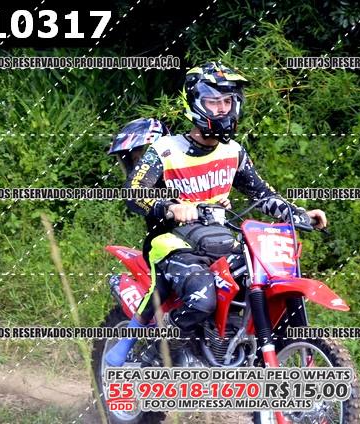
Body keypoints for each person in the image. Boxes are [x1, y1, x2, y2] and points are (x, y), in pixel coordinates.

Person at [105, 62, 327, 366]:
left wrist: (298, 214)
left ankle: (242, 352)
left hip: (220, 240)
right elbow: (134, 191)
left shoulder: (233, 151)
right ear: (195, 103)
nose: (222, 109)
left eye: (227, 101)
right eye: (213, 102)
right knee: (202, 296)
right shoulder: (166, 150)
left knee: (261, 280)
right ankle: (158, 353)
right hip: (172, 243)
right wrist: (171, 207)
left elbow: (262, 194)